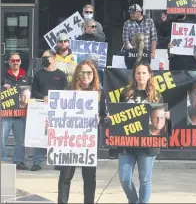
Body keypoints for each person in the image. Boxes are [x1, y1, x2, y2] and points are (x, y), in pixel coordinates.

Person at [115, 61, 170, 203]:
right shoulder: (125, 94)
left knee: (145, 179)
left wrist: (166, 116)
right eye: (138, 73)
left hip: (148, 144)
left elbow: (159, 114)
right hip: (128, 143)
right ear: (134, 75)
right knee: (124, 178)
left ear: (150, 74)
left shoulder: (156, 95)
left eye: (144, 72)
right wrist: (113, 117)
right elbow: (120, 116)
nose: (141, 75)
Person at [57, 60, 106, 204]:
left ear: (94, 74)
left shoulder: (100, 93)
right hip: (69, 141)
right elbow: (59, 114)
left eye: (89, 72)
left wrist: (100, 119)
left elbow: (104, 116)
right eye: (82, 72)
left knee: (89, 177)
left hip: (89, 141)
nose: (86, 75)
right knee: (65, 176)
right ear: (77, 73)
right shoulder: (68, 91)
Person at [30, 49, 68, 171]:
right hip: (42, 109)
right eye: (42, 58)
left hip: (58, 110)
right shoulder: (38, 74)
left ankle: (58, 161)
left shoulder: (61, 75)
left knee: (57, 135)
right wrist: (43, 97)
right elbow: (34, 91)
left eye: (45, 58)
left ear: (53, 58)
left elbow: (66, 92)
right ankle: (37, 162)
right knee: (41, 135)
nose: (43, 60)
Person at [1, 52, 30, 170]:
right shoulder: (3, 76)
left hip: (21, 113)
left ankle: (19, 161)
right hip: (6, 113)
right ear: (9, 62)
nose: (15, 63)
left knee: (20, 139)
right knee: (1, 138)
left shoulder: (27, 77)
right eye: (13, 61)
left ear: (20, 62)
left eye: (17, 60)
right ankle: (1, 160)